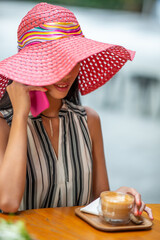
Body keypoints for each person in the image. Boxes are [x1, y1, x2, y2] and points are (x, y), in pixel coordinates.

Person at [0, 2, 153, 219]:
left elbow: (96, 203)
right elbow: (8, 202)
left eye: (72, 58)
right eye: (55, 59)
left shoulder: (89, 121)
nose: (67, 72)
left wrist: (119, 197)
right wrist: (21, 114)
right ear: (31, 63)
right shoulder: (4, 124)